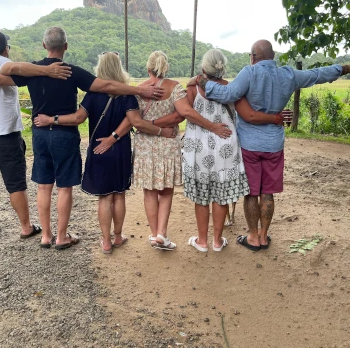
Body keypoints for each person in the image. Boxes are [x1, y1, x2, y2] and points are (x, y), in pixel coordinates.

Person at [0, 26, 164, 250]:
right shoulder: (72, 72)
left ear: (44, 46)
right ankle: (61, 237)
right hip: (65, 135)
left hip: (40, 133)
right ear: (66, 47)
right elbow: (107, 85)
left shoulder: (31, 70)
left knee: (43, 187)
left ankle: (45, 236)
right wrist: (140, 91)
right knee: (64, 188)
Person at [204, 39, 350, 251]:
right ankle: (264, 236)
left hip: (249, 144)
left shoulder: (250, 72)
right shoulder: (288, 74)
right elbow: (317, 74)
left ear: (253, 57)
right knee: (268, 193)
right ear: (272, 57)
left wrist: (203, 83)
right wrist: (344, 68)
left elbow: (229, 94)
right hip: (274, 144)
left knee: (252, 192)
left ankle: (252, 237)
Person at [34, 52, 176, 253]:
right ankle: (118, 237)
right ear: (120, 69)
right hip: (120, 150)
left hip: (98, 148)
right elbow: (134, 121)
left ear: (100, 69)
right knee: (118, 195)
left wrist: (51, 120)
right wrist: (117, 137)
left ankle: (106, 242)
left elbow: (77, 119)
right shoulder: (128, 94)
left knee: (104, 197)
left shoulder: (93, 94)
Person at [0, 31, 70, 238]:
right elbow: (15, 69)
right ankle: (26, 227)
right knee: (15, 184)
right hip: (7, 134)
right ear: (5, 48)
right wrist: (47, 70)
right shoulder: (6, 64)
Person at [184, 49, 283, 252]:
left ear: (204, 68)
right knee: (221, 195)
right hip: (225, 147)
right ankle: (217, 241)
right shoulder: (233, 89)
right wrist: (275, 117)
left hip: (199, 148)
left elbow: (184, 112)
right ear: (222, 68)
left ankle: (202, 241)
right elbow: (248, 114)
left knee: (202, 196)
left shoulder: (193, 88)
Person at [132, 51, 233, 251]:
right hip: (168, 142)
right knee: (167, 191)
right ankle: (162, 233)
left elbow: (134, 120)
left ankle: (154, 235)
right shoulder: (175, 87)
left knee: (149, 191)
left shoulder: (138, 89)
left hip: (145, 144)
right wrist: (161, 126)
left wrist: (148, 124)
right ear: (166, 66)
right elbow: (181, 114)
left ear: (148, 68)